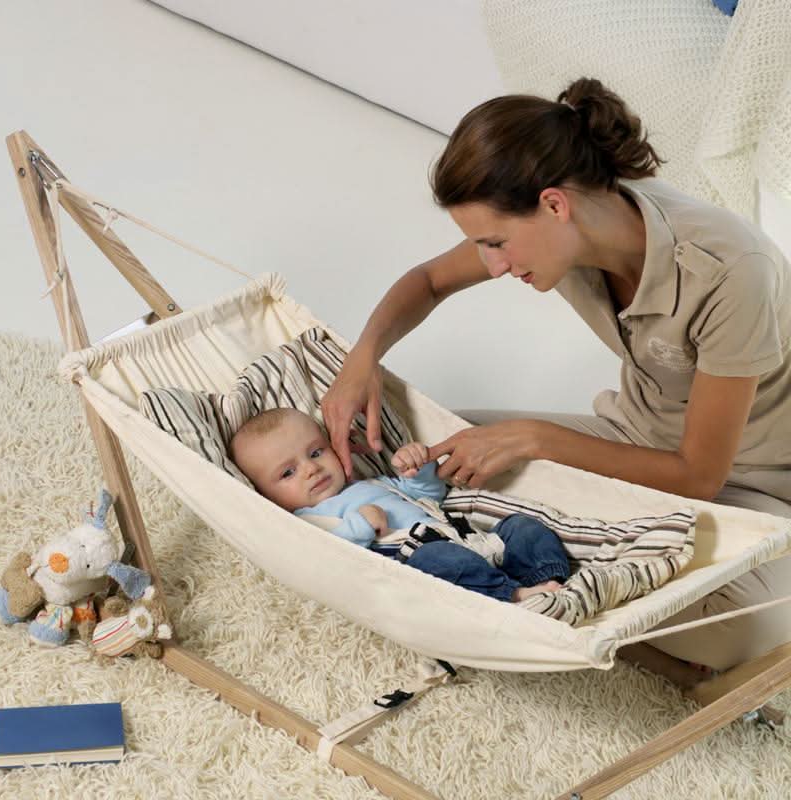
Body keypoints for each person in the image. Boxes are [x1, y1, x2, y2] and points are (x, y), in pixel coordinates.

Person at [320, 77, 791, 676]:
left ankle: (543, 565)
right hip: (633, 438)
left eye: (495, 243)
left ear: (553, 204)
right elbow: (430, 281)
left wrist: (535, 438)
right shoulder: (569, 231)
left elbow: (700, 475)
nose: (492, 264)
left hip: (755, 483)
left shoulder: (729, 270)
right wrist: (363, 356)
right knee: (435, 446)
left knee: (736, 632)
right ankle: (572, 566)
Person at [229, 408, 570, 602]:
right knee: (439, 560)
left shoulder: (371, 484)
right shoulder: (308, 520)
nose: (311, 469)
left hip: (473, 541)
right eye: (288, 472)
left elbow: (427, 497)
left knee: (521, 526)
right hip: (425, 560)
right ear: (266, 496)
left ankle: (551, 582)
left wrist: (417, 469)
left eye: (316, 452)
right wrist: (360, 525)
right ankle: (515, 596)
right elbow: (324, 557)